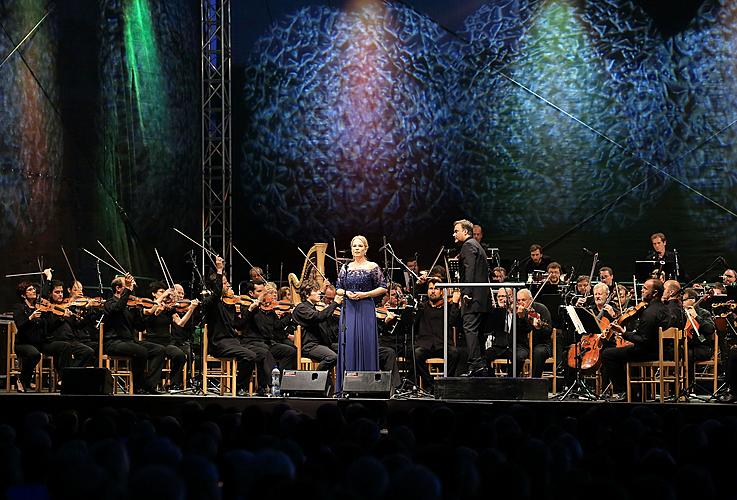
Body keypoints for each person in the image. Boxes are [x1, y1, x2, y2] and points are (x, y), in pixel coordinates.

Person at [601, 279, 670, 401]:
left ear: (654, 293)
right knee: (622, 352)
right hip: (662, 349)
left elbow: (643, 340)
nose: (641, 291)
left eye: (644, 289)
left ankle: (623, 391)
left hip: (649, 351)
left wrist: (624, 333)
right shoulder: (664, 308)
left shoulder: (649, 313)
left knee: (608, 354)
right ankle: (639, 392)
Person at [335, 235, 387, 394]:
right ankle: (348, 386)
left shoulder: (372, 266)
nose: (356, 248)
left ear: (365, 248)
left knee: (366, 342)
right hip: (349, 308)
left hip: (365, 307)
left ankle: (368, 386)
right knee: (349, 342)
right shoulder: (346, 267)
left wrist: (365, 295)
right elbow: (338, 288)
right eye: (354, 246)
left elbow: (383, 287)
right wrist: (347, 293)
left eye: (359, 246)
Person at [202, 256, 258, 396]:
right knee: (249, 356)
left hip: (233, 341)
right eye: (225, 283)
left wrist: (245, 310)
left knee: (258, 353)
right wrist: (219, 269)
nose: (228, 286)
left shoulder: (229, 304)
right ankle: (239, 387)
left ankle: (247, 386)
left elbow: (237, 325)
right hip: (219, 343)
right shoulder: (210, 302)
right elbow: (216, 295)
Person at [103, 274, 166, 394]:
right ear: (118, 288)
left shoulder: (132, 306)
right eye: (126, 287)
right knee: (140, 351)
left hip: (130, 342)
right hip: (114, 342)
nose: (131, 290)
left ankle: (149, 385)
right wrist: (127, 291)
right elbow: (117, 309)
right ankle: (138, 387)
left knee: (159, 350)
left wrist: (154, 315)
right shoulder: (109, 303)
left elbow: (140, 327)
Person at [453, 219, 490, 376]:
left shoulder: (468, 245)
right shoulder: (477, 245)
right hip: (481, 298)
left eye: (456, 231)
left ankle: (476, 364)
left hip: (473, 297)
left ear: (465, 232)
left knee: (470, 328)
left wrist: (466, 292)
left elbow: (470, 270)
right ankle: (479, 364)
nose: (454, 234)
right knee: (477, 331)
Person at [41, 280, 96, 378]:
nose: (60, 295)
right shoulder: (47, 309)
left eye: (61, 292)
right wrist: (62, 317)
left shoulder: (66, 308)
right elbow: (48, 326)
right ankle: (66, 378)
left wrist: (88, 311)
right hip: (54, 340)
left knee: (88, 351)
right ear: (50, 294)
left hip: (70, 340)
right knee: (64, 347)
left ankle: (67, 376)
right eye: (57, 292)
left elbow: (77, 325)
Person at [413, 281, 460, 389]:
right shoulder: (422, 307)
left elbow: (453, 322)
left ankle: (446, 384)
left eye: (436, 288)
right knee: (416, 354)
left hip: (442, 344)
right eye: (430, 288)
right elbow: (413, 299)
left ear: (442, 292)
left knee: (454, 353)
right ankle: (432, 385)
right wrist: (418, 285)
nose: (433, 291)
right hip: (426, 345)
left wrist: (456, 304)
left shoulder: (447, 307)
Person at [292, 279, 343, 372]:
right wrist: (335, 303)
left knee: (347, 350)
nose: (319, 293)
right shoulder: (301, 308)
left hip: (322, 343)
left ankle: (334, 384)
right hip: (310, 346)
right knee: (332, 357)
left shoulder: (313, 307)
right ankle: (315, 380)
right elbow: (319, 317)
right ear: (307, 294)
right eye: (315, 291)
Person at [484, 288, 527, 376]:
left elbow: (527, 328)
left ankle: (511, 381)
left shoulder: (521, 311)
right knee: (485, 356)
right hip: (500, 346)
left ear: (511, 298)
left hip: (518, 346)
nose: (500, 298)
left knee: (518, 357)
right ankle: (491, 381)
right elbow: (488, 329)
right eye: (499, 296)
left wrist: (520, 315)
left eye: (503, 296)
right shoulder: (496, 312)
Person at [11, 281, 45, 392]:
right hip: (22, 344)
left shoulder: (38, 306)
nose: (33, 290)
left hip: (37, 343)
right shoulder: (19, 307)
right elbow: (20, 325)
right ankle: (22, 379)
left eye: (34, 289)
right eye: (30, 290)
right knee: (34, 354)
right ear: (23, 295)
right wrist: (30, 318)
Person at [516, 288, 552, 379]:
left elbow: (548, 331)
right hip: (523, 345)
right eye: (518, 300)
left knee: (538, 352)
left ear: (531, 300)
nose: (521, 303)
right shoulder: (516, 312)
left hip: (541, 344)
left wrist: (538, 327)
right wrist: (521, 318)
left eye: (523, 300)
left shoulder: (541, 309)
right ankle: (514, 383)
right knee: (517, 354)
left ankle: (535, 382)